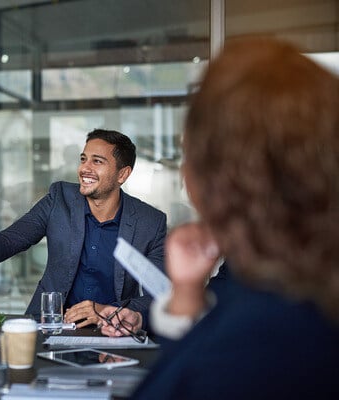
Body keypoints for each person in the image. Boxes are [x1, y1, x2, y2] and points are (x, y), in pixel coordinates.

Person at [124, 38, 339, 399]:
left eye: (187, 153)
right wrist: (188, 295)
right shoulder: (261, 274)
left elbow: (196, 374)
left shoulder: (260, 336)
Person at [0, 129, 167, 334]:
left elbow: (159, 294)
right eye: (83, 159)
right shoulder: (59, 198)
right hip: (50, 327)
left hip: (111, 333)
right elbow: (13, 238)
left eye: (97, 161)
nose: (84, 168)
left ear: (123, 174)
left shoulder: (150, 222)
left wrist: (106, 311)